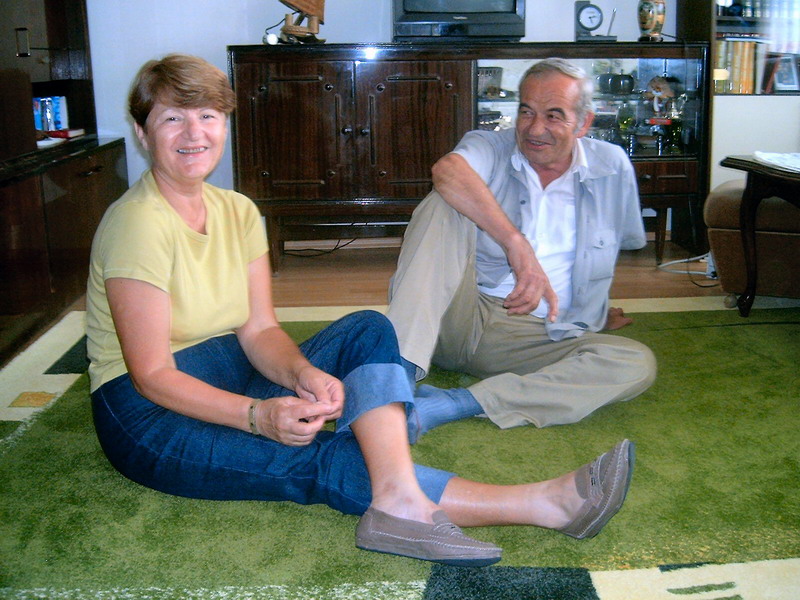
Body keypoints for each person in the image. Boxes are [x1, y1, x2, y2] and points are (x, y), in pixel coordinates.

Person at [86, 54, 636, 568]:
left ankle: (397, 494)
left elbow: (258, 330)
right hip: (148, 414)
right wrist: (258, 416)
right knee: (319, 460)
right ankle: (543, 504)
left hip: (233, 370)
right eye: (172, 119)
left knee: (369, 328)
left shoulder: (239, 211)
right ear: (142, 132)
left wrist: (301, 374)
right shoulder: (138, 223)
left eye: (207, 116)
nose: (194, 134)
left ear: (224, 125)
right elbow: (152, 375)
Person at [387, 58, 657, 440]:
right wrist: (516, 244)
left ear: (583, 123)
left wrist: (595, 312)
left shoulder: (612, 166)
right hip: (460, 315)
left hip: (539, 336)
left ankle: (455, 403)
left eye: (553, 115)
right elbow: (447, 171)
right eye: (526, 111)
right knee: (442, 204)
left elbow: (613, 250)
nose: (534, 128)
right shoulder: (491, 145)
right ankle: (394, 385)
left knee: (635, 362)